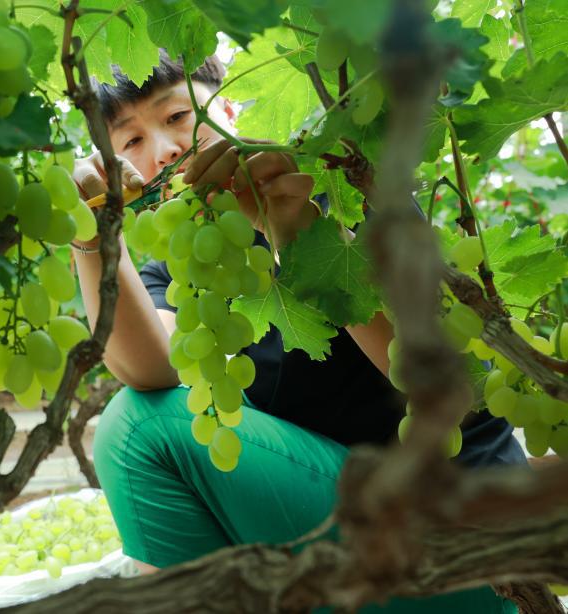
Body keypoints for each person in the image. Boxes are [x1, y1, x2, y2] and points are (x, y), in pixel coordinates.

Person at [72, 51, 524, 612]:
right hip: (357, 546)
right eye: (131, 142)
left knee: (136, 432)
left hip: (462, 544)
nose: (162, 151)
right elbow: (152, 369)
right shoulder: (183, 264)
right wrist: (92, 238)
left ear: (229, 108)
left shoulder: (337, 185)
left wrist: (300, 235)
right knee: (139, 423)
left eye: (175, 118)